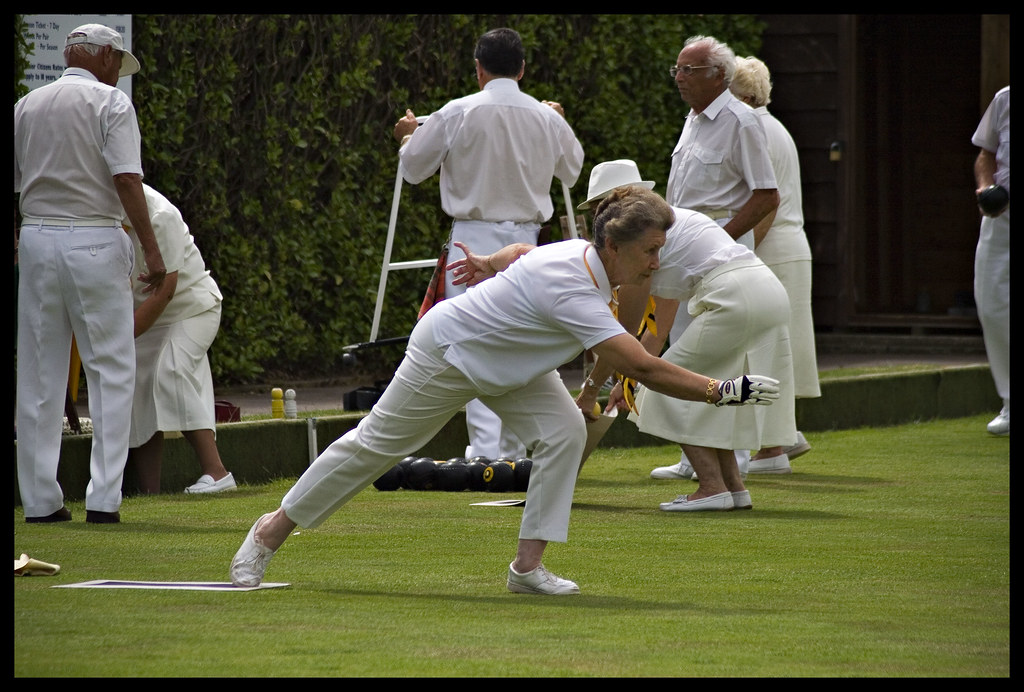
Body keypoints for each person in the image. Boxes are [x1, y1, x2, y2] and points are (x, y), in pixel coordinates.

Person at [229, 187, 780, 594]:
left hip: (512, 366)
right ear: (612, 245)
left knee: (565, 431)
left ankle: (526, 569)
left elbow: (518, 253)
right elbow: (644, 366)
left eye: (662, 249)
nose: (658, 264)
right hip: (449, 354)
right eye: (650, 253)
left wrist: (487, 263)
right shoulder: (574, 287)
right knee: (377, 445)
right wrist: (722, 390)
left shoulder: (586, 259)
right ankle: (268, 532)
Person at [392, 27, 584, 463]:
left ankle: (485, 451)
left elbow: (413, 168)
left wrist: (406, 134)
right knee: (525, 339)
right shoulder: (545, 116)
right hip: (529, 242)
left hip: (473, 240)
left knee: (473, 340)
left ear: (478, 69)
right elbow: (572, 171)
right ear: (522, 69)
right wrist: (558, 118)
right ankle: (512, 450)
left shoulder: (456, 111)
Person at [574, 161, 794, 511]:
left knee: (667, 386)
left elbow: (622, 334)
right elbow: (655, 333)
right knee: (712, 387)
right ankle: (733, 489)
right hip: (764, 291)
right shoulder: (670, 226)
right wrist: (624, 379)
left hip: (735, 298)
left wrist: (591, 390)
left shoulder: (641, 241)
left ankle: (711, 487)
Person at [14, 23, 166, 524]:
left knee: (39, 374)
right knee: (112, 371)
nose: (117, 75)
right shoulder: (111, 104)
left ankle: (40, 501)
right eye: (116, 64)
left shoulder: (27, 105)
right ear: (102, 57)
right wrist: (152, 250)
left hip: (36, 238)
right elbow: (126, 178)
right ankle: (103, 499)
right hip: (95, 240)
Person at [659, 34, 782, 480]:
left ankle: (737, 456)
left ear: (718, 76)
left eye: (688, 70)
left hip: (720, 249)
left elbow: (767, 196)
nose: (679, 78)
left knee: (724, 355)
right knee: (685, 349)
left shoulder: (742, 120)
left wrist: (718, 236)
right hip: (683, 247)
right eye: (677, 69)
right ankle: (693, 457)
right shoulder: (692, 119)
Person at [727, 55, 820, 469]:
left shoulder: (754, 129)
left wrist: (738, 255)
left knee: (763, 349)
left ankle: (773, 446)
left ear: (746, 95)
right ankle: (783, 438)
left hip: (772, 248)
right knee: (776, 349)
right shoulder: (772, 126)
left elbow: (765, 205)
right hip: (789, 248)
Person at [123, 184, 234, 494]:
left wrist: (119, 340)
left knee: (170, 370)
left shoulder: (161, 216)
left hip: (192, 308)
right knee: (138, 385)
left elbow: (165, 291)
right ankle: (150, 493)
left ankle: (218, 473)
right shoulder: (104, 217)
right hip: (146, 315)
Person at [971, 86, 1010, 435]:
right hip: (1001, 219)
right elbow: (986, 154)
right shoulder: (1005, 99)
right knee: (992, 307)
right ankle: (1010, 402)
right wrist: (985, 189)